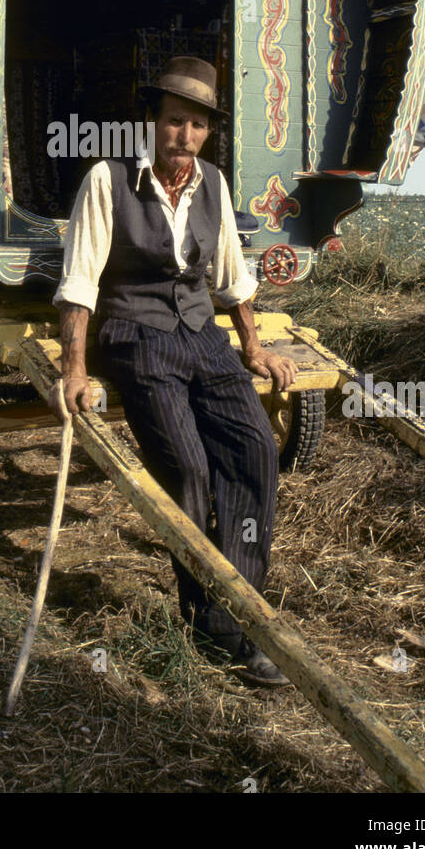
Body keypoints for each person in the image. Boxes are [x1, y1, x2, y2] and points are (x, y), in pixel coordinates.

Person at [52, 57, 297, 687]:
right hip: (137, 336)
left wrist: (253, 346)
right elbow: (79, 281)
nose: (183, 135)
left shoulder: (212, 182)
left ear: (207, 133)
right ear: (152, 121)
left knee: (254, 452)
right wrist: (74, 368)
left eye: (196, 125)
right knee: (187, 469)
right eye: (173, 120)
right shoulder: (107, 181)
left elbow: (232, 277)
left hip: (203, 337)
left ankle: (240, 610)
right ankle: (207, 622)